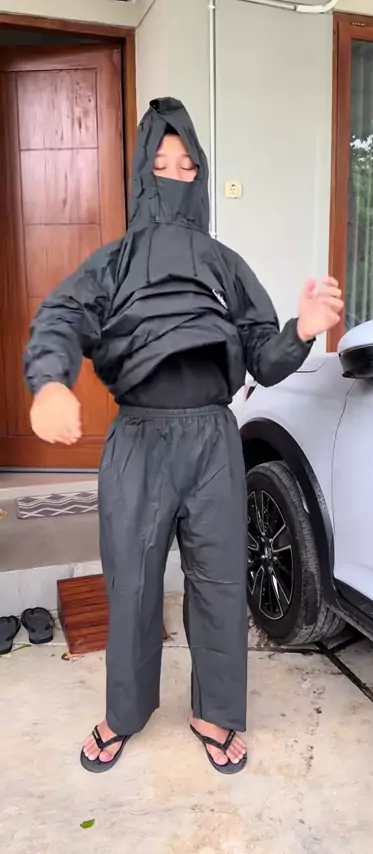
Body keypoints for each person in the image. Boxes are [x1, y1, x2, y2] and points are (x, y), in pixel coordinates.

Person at [24, 97, 343, 775]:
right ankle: (124, 712)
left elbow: (263, 358)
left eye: (187, 164)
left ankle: (215, 711)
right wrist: (49, 382)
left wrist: (301, 331)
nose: (174, 175)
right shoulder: (112, 263)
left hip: (212, 443)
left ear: (201, 176)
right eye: (161, 164)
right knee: (131, 585)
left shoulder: (225, 263)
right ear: (142, 175)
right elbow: (60, 318)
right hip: (138, 441)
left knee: (220, 583)